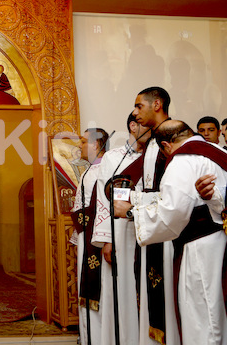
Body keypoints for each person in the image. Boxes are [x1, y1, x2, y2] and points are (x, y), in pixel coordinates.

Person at [114, 120, 227, 344]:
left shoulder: (183, 160)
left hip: (199, 247)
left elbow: (172, 212)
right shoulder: (218, 152)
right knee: (218, 311)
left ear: (166, 145)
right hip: (220, 241)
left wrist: (131, 213)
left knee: (202, 316)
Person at [92, 114, 151, 345]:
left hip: (150, 230)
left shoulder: (157, 155)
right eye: (146, 125)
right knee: (121, 291)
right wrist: (107, 238)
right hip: (121, 233)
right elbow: (103, 200)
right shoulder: (113, 158)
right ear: (133, 126)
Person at [130, 86, 180, 345]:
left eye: (140, 106)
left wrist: (132, 204)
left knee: (169, 299)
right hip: (152, 228)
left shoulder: (175, 135)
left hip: (169, 232)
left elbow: (174, 192)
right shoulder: (151, 141)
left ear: (157, 104)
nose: (135, 112)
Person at [69, 127, 108, 345]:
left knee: (97, 285)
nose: (80, 146)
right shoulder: (88, 170)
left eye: (84, 142)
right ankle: (87, 336)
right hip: (86, 234)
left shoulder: (103, 171)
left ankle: (97, 337)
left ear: (95, 144)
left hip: (97, 237)